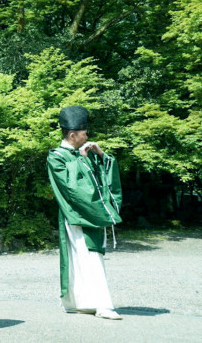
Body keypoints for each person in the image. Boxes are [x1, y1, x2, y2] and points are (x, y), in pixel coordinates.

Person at [47, 106, 123, 320]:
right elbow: (73, 188)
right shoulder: (56, 157)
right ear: (72, 135)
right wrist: (82, 159)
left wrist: (102, 156)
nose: (87, 136)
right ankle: (103, 305)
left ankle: (83, 302)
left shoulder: (83, 154)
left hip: (88, 211)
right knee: (89, 256)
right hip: (76, 214)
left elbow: (98, 181)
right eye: (84, 133)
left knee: (89, 255)